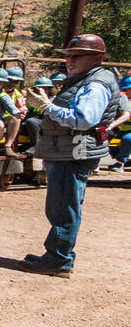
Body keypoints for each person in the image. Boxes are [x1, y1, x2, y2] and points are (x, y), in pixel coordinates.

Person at [22, 34, 121, 276]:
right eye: (68, 55)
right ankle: (58, 254)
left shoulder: (96, 83)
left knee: (64, 205)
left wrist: (47, 107)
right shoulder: (88, 79)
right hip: (70, 149)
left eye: (77, 55)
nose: (70, 60)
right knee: (62, 204)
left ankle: (59, 258)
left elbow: (84, 119)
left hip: (75, 150)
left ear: (96, 58)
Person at [17, 75, 53, 158]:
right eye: (40, 88)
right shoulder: (31, 100)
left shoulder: (52, 100)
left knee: (32, 121)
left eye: (46, 88)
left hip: (47, 123)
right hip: (32, 125)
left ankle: (36, 146)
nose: (44, 90)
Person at [107, 75, 131, 171]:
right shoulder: (121, 99)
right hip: (121, 129)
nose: (124, 91)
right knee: (106, 137)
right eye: (123, 89)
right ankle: (122, 158)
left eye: (127, 89)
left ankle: (120, 163)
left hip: (128, 132)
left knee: (127, 138)